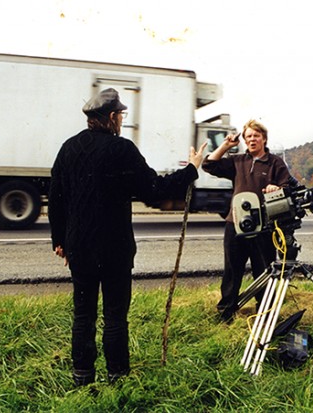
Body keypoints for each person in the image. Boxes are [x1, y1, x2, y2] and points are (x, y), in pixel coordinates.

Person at [48, 88, 207, 386]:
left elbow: (55, 198)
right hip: (114, 250)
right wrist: (193, 169)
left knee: (83, 314)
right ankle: (117, 377)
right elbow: (156, 191)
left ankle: (82, 376)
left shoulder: (67, 148)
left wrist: (59, 239)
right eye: (120, 115)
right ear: (111, 117)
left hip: (79, 248)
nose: (121, 120)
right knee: (115, 316)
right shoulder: (121, 150)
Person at [202, 119, 293, 323]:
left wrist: (276, 188)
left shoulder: (275, 162)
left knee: (263, 271)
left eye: (256, 136)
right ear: (244, 140)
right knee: (232, 271)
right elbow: (209, 164)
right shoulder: (238, 161)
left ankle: (264, 315)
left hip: (264, 227)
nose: (252, 139)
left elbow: (287, 186)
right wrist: (226, 145)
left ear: (264, 139)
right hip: (235, 224)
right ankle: (226, 314)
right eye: (248, 136)